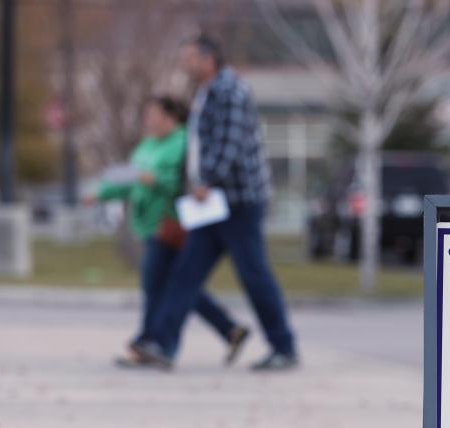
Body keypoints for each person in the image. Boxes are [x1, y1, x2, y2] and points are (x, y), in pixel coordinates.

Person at [135, 35, 298, 371]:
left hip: (238, 203)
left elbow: (230, 143)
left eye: (189, 58)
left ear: (208, 58)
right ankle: (162, 346)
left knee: (254, 276)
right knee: (185, 274)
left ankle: (284, 346)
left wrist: (206, 180)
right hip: (211, 206)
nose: (184, 64)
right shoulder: (207, 92)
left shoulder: (230, 91)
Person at [84, 95, 249, 366]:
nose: (149, 120)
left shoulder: (184, 143)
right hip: (148, 222)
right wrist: (102, 193)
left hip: (173, 223)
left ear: (170, 117)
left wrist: (155, 179)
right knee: (179, 287)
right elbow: (130, 179)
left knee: (158, 284)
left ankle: (152, 343)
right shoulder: (148, 146)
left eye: (154, 114)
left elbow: (184, 181)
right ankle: (229, 330)